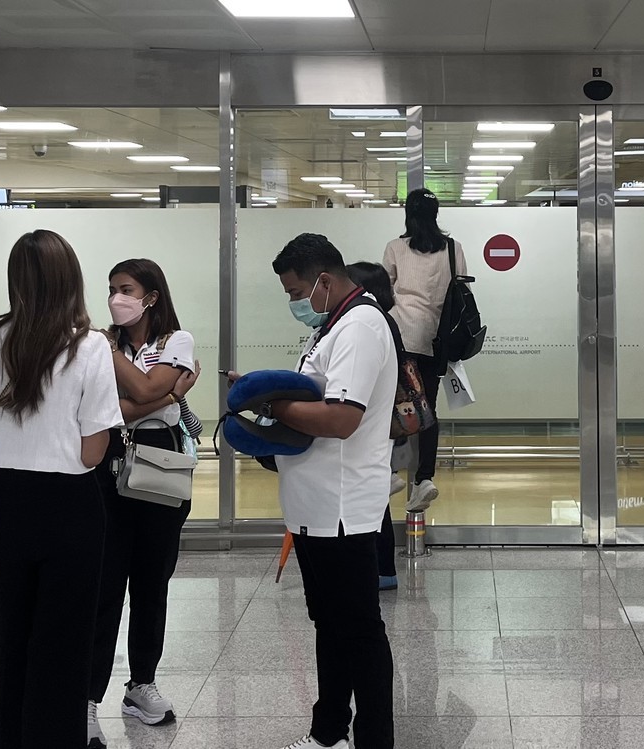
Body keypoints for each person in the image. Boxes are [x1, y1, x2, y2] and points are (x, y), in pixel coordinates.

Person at [233, 233, 396, 749]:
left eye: (296, 291)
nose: (294, 302)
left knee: (359, 631)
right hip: (314, 505)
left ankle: (374, 739)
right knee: (330, 624)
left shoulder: (362, 326)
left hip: (342, 507)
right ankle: (329, 733)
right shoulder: (333, 325)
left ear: (324, 280)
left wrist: (272, 404)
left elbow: (342, 418)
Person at [0, 229, 123, 749]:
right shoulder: (90, 345)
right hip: (70, 505)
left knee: (11, 633)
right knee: (63, 640)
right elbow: (92, 452)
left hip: (8, 500)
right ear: (70, 279)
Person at [87, 259, 200, 748]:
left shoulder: (177, 341)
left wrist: (145, 384)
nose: (117, 298)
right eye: (112, 289)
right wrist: (169, 390)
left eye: (126, 289)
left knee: (151, 586)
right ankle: (87, 700)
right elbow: (120, 407)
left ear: (151, 295)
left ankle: (141, 685)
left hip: (158, 471)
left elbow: (138, 396)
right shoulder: (97, 345)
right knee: (105, 590)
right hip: (108, 473)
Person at [383, 187, 468, 514]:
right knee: (428, 407)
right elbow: (462, 292)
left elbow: (384, 291)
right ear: (435, 214)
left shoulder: (395, 248)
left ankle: (391, 471)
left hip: (402, 338)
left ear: (409, 214)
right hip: (437, 340)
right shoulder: (453, 249)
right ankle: (425, 478)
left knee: (398, 404)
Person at [347, 261, 406, 592]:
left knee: (373, 497)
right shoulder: (384, 319)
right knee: (376, 496)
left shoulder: (369, 321)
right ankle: (384, 569)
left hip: (372, 423)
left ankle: (382, 569)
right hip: (380, 423)